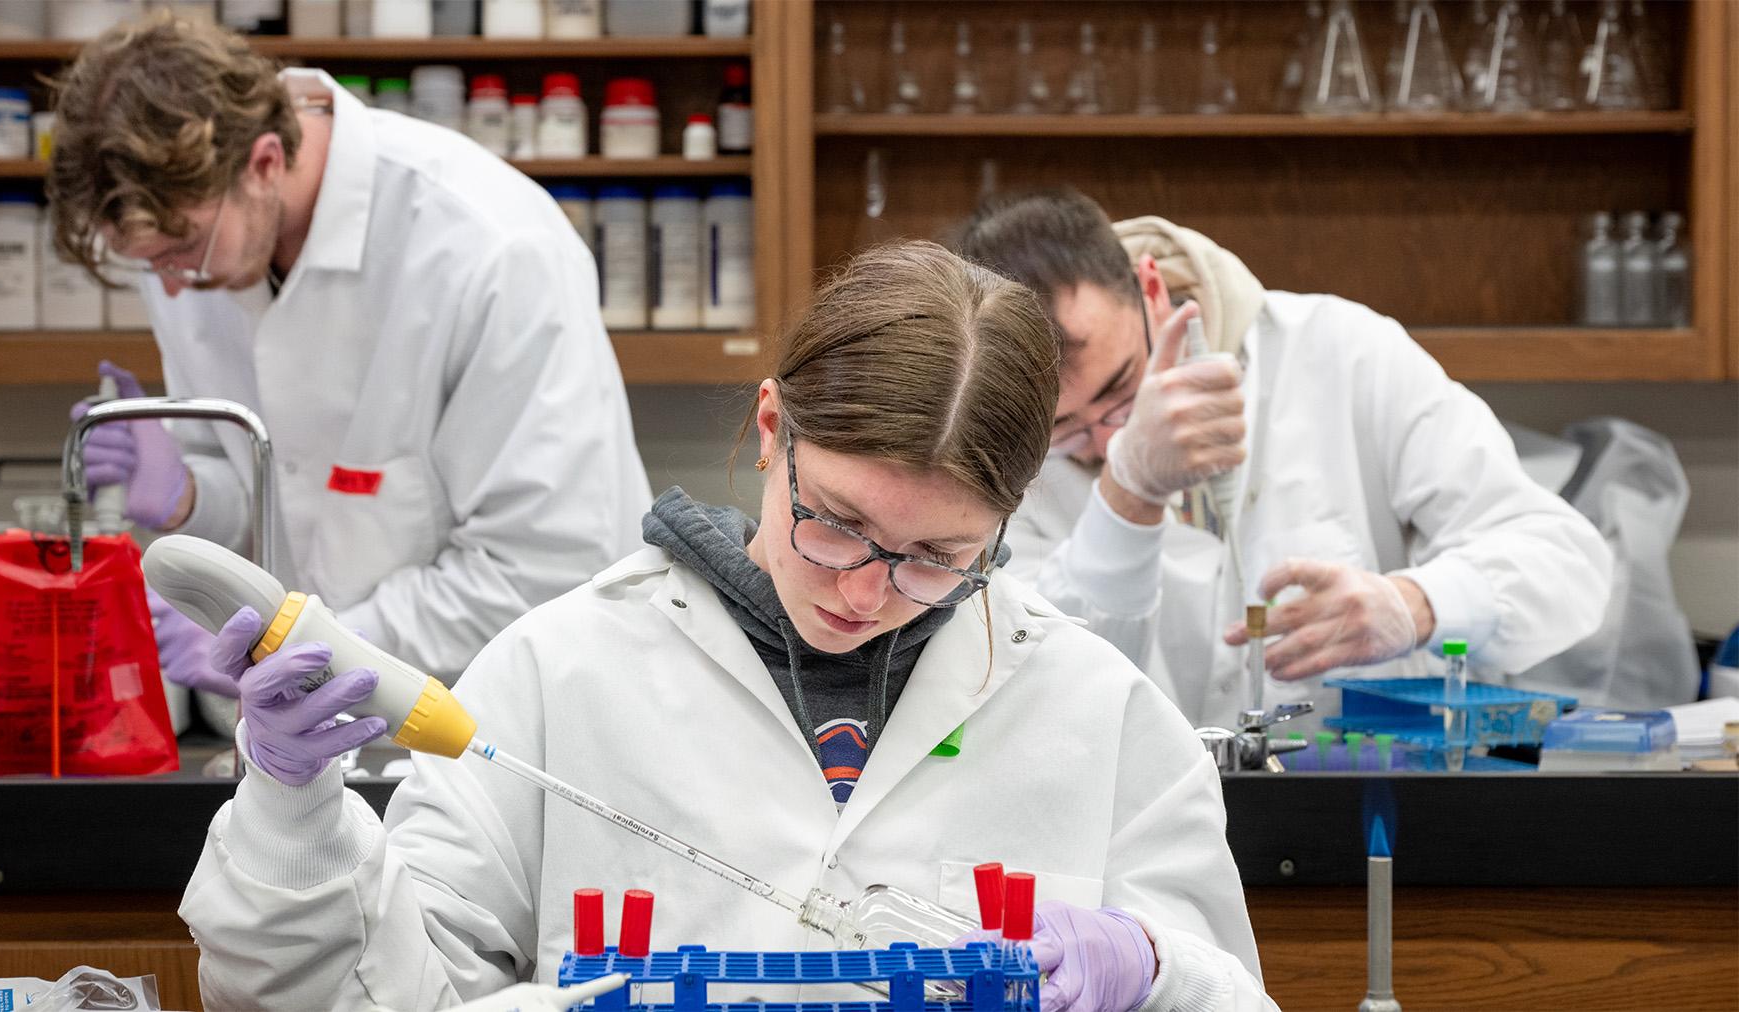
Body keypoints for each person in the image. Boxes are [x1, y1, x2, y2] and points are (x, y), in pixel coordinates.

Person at [177, 243, 1276, 1011]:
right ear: (769, 431)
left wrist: (1158, 969)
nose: (865, 591)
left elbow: (1231, 999)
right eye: (837, 523)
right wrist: (292, 814)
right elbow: (356, 999)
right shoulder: (560, 675)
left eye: (939, 557)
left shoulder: (1105, 716)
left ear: (1009, 520)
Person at [48, 12, 651, 685]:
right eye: (148, 264)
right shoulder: (198, 236)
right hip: (321, 732)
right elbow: (292, 500)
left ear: (265, 163)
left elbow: (541, 570)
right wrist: (192, 496)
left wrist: (303, 651)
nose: (171, 286)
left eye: (181, 251)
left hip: (514, 721)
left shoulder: (491, 250)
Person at [956, 189, 1612, 727]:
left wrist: (1416, 604)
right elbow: (1031, 689)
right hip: (1122, 849)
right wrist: (1128, 492)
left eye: (1120, 390)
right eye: (1066, 432)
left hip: (1349, 819)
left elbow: (1565, 562)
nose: (1104, 442)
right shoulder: (997, 451)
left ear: (1150, 288)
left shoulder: (1344, 354)